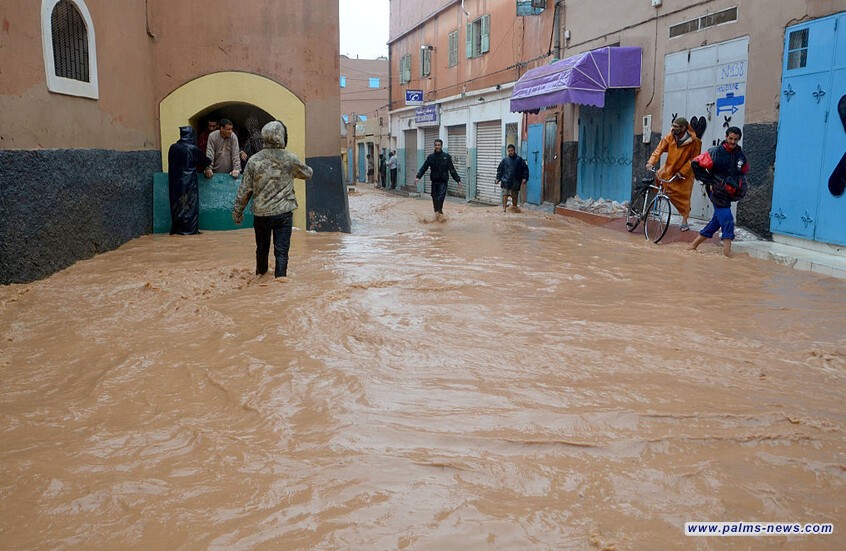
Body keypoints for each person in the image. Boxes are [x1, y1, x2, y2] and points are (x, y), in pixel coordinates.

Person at [232, 120, 313, 278]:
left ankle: (260, 280)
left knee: (261, 249)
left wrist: (238, 212)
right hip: (283, 214)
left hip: (261, 214)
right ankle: (280, 283)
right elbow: (308, 174)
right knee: (281, 252)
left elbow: (245, 190)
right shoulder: (290, 158)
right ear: (281, 137)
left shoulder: (254, 160)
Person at [688, 127, 748, 258]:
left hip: (729, 193)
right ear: (726, 137)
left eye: (735, 139)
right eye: (730, 138)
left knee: (717, 221)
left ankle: (692, 246)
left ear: (739, 139)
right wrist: (708, 180)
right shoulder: (715, 152)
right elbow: (695, 163)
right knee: (727, 220)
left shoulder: (740, 155)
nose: (732, 142)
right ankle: (727, 256)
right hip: (716, 191)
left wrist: (738, 188)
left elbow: (743, 171)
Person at [646, 116, 702, 231]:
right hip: (669, 168)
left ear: (683, 128)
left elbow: (693, 159)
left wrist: (682, 172)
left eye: (676, 127)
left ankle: (685, 220)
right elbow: (659, 149)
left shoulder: (694, 141)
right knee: (659, 177)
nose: (673, 128)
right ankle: (653, 206)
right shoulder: (670, 137)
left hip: (685, 173)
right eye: (673, 126)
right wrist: (651, 162)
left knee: (683, 198)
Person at [168, 126, 211, 235]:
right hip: (189, 183)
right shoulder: (192, 149)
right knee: (190, 207)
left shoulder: (173, 148)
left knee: (176, 206)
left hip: (174, 183)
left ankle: (177, 230)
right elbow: (204, 160)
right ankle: (190, 231)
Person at [415, 139, 461, 217]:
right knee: (434, 196)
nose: (437, 146)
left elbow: (452, 169)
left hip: (443, 181)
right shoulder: (431, 157)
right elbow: (424, 167)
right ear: (434, 146)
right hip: (434, 181)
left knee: (440, 197)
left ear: (441, 146)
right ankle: (438, 212)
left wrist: (458, 180)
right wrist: (418, 177)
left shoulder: (446, 157)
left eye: (438, 145)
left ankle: (439, 212)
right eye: (436, 145)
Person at [496, 144, 529, 213]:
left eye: (512, 150)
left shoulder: (519, 160)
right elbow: (500, 169)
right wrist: (498, 178)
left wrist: (525, 178)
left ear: (514, 150)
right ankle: (504, 209)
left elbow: (525, 169)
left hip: (516, 180)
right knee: (505, 194)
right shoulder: (505, 160)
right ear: (507, 151)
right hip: (506, 180)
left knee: (514, 196)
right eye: (509, 151)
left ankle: (514, 208)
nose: (510, 152)